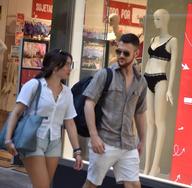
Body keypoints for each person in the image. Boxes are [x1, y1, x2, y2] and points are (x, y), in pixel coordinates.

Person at [4, 49, 83, 188]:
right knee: (43, 186)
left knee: (44, 185)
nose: (69, 68)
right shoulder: (34, 85)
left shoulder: (67, 92)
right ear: (54, 65)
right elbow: (16, 112)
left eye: (71, 65)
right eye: (66, 64)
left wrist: (77, 151)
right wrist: (8, 139)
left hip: (54, 142)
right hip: (33, 139)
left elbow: (69, 122)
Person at [82, 33, 147, 188]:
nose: (121, 56)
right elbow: (89, 103)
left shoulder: (141, 81)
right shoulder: (105, 74)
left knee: (133, 185)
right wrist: (94, 136)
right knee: (92, 184)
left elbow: (140, 113)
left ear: (136, 54)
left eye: (126, 53)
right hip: (104, 142)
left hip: (128, 144)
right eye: (119, 51)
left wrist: (143, 140)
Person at [143, 9, 178, 176]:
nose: (155, 21)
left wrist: (170, 89)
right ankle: (147, 166)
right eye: (154, 18)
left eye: (158, 18)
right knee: (149, 123)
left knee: (159, 122)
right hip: (147, 78)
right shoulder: (152, 39)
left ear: (165, 19)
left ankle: (155, 166)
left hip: (160, 81)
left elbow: (173, 67)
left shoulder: (173, 41)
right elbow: (148, 61)